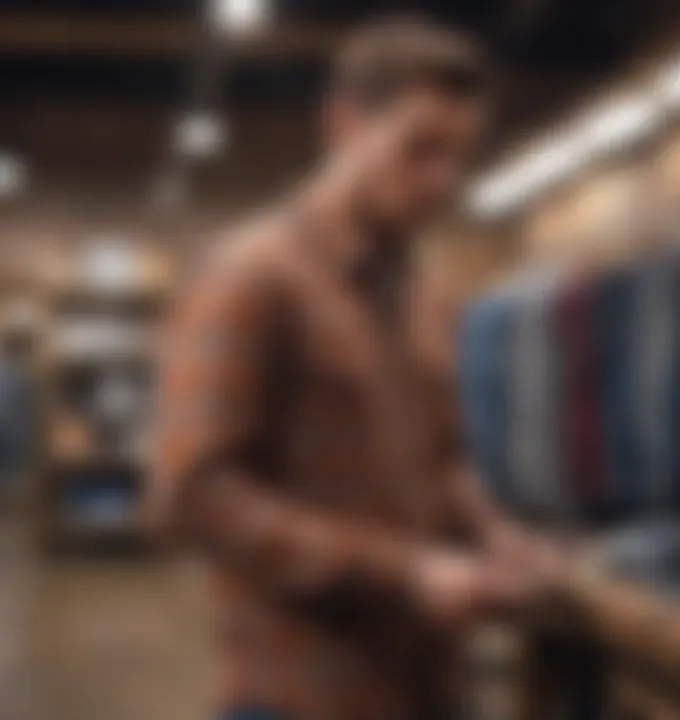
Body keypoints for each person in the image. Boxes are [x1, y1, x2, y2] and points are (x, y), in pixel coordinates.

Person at [151, 16, 559, 720]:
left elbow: (444, 460)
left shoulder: (426, 295)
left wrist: (494, 535)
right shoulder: (249, 275)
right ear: (343, 126)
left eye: (458, 158)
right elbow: (189, 493)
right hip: (300, 695)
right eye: (419, 150)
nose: (441, 182)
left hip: (427, 689)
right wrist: (405, 572)